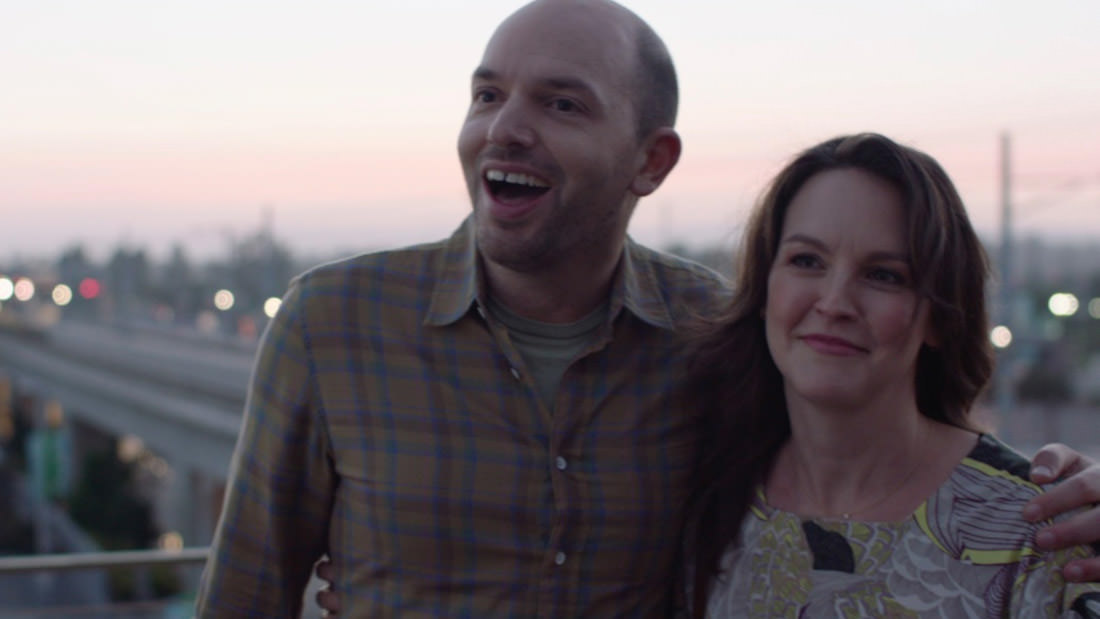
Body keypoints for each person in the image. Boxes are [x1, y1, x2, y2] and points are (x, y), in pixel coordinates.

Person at [198, 1, 1100, 616]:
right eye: (487, 94)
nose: (504, 126)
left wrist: (1049, 480)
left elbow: (871, 438)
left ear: (651, 161)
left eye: (560, 103)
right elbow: (245, 595)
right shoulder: (332, 324)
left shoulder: (711, 335)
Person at [681, 133, 1100, 617]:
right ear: (764, 289)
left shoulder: (1038, 532)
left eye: (884, 275)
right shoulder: (709, 499)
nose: (835, 302)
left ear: (941, 317)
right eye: (806, 261)